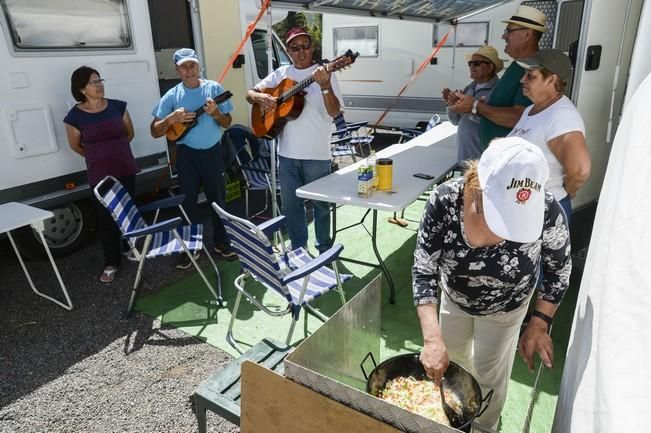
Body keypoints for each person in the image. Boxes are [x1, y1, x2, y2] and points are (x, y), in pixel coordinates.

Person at [412, 137, 571, 430]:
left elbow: (558, 270)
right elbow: (424, 269)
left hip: (508, 307)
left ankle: (486, 427)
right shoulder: (445, 200)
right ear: (480, 185)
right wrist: (432, 339)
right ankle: (453, 423)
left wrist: (538, 323)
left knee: (490, 373)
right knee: (453, 364)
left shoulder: (548, 211)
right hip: (454, 299)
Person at [246, 27, 343, 254]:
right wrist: (262, 98)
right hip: (286, 155)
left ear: (312, 48)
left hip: (317, 156)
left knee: (321, 207)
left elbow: (334, 112)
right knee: (292, 208)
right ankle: (299, 249)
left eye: (305, 46)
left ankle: (324, 251)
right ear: (288, 50)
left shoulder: (325, 73)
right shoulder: (281, 73)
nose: (301, 51)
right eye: (295, 47)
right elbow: (249, 94)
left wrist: (326, 86)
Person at [150, 48, 235, 266]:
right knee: (188, 202)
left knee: (219, 201)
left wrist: (216, 114)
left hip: (213, 153)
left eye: (192, 65)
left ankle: (222, 242)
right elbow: (155, 131)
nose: (189, 70)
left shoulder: (214, 89)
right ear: (177, 70)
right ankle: (191, 247)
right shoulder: (172, 96)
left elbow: (227, 123)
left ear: (199, 66)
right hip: (186, 155)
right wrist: (170, 118)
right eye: (184, 67)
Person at [64, 66, 139, 283]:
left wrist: (115, 151)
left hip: (124, 166)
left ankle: (129, 247)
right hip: (100, 173)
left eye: (99, 80)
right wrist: (99, 155)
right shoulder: (75, 116)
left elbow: (129, 134)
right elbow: (76, 146)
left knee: (128, 211)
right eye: (93, 82)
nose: (99, 85)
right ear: (81, 89)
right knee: (106, 218)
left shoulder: (117, 106)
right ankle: (111, 262)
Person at [509, 48, 591, 220]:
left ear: (551, 79)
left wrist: (564, 191)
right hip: (525, 206)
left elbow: (580, 170)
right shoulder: (532, 109)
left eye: (530, 75)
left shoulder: (562, 116)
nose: (522, 80)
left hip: (543, 210)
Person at [452, 5, 547, 149]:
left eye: (509, 31)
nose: (504, 36)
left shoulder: (533, 70)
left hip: (507, 160)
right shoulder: (518, 66)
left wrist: (476, 106)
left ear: (527, 34)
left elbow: (519, 117)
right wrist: (474, 106)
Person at [443, 45, 503, 161]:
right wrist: (451, 105)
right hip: (465, 157)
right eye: (470, 64)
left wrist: (470, 109)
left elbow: (496, 122)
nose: (471, 67)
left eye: (477, 64)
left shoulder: (499, 90)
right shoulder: (469, 88)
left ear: (490, 67)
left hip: (484, 158)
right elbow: (455, 121)